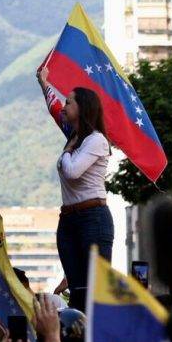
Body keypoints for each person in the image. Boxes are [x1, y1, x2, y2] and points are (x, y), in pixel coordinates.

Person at [37, 66, 114, 309]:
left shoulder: (96, 140)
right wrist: (44, 82)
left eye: (69, 102)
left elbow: (72, 172)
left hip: (93, 218)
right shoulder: (76, 136)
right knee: (78, 291)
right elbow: (54, 108)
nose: (64, 106)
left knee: (95, 291)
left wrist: (68, 150)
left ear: (82, 108)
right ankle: (79, 329)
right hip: (69, 220)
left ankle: (96, 331)